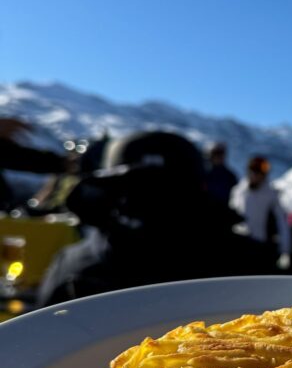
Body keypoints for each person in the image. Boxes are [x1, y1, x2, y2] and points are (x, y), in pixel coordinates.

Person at [38, 130, 261, 305]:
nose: (155, 203)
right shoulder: (245, 260)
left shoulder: (71, 263)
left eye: (168, 192)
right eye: (140, 190)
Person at [230, 155, 292, 270]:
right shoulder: (239, 191)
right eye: (254, 172)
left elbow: (282, 222)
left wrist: (285, 250)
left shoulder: (271, 195)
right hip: (239, 243)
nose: (257, 176)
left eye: (261, 173)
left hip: (260, 246)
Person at [203, 142, 238, 206]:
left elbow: (236, 198)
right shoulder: (203, 172)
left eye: (221, 153)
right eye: (216, 153)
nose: (218, 157)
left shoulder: (230, 177)